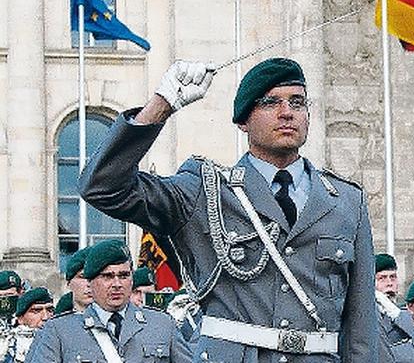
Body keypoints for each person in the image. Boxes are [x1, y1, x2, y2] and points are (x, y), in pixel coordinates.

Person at [78, 58, 377, 362]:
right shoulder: (205, 190)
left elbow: (361, 324)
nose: (287, 112)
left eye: (297, 102)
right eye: (270, 102)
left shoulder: (345, 201)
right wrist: (160, 106)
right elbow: (102, 187)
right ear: (243, 120)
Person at [25, 240, 191, 362]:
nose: (117, 284)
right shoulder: (60, 330)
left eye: (124, 275)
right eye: (107, 276)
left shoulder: (162, 324)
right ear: (90, 282)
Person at [63, 248, 93, 313]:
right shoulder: (56, 322)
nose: (89, 284)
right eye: (83, 277)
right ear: (69, 283)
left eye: (95, 277)